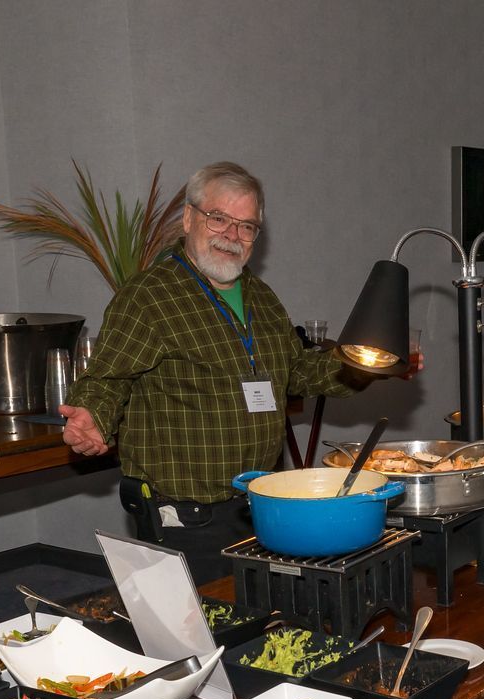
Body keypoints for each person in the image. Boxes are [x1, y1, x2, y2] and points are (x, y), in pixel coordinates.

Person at [62, 161, 373, 583]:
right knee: (198, 635)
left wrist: (365, 362)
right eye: (219, 218)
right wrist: (92, 418)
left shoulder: (261, 297)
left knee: (262, 627)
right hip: (187, 518)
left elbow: (297, 372)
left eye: (247, 226)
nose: (232, 235)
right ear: (189, 219)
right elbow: (107, 379)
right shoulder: (150, 297)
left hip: (258, 506)